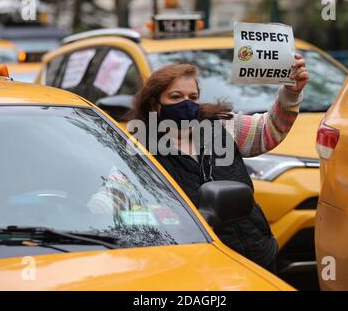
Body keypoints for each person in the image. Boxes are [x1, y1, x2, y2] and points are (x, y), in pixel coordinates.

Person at [126, 54, 309, 272]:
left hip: (259, 255)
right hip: (198, 266)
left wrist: (291, 92)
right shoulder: (140, 149)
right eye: (176, 96)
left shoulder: (222, 126)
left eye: (193, 97)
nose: (186, 103)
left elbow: (268, 130)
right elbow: (118, 199)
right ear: (155, 104)